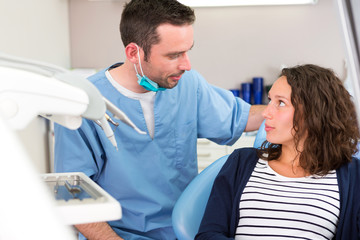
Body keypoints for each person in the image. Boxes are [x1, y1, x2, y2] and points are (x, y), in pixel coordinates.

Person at [54, 0, 265, 239]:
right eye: (174, 55)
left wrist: (291, 108)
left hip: (181, 230)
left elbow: (240, 116)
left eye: (187, 51)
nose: (186, 64)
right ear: (134, 52)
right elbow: (73, 194)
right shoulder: (82, 103)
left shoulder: (188, 84)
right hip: (118, 235)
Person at [196, 64, 360, 240]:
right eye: (270, 100)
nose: (266, 112)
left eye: (281, 103)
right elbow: (208, 235)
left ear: (315, 113)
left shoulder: (353, 176)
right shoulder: (241, 162)